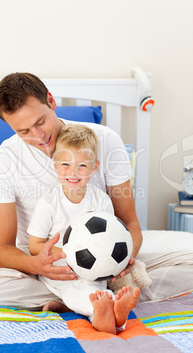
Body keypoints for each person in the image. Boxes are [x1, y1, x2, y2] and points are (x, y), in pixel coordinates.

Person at [0, 72, 193, 309]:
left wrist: (122, 260)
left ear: (51, 101)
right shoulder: (3, 160)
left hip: (106, 256)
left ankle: (88, 296)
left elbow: (129, 222)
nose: (38, 136)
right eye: (23, 131)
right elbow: (2, 250)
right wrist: (36, 265)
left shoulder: (105, 140)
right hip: (47, 268)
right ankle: (88, 298)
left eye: (40, 122)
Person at [28, 123, 140, 333]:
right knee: (77, 290)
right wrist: (68, 255)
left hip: (93, 270)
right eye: (65, 164)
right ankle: (109, 314)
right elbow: (34, 245)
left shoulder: (101, 200)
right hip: (59, 271)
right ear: (54, 165)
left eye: (82, 166)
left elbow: (110, 239)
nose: (73, 172)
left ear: (94, 168)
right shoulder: (49, 202)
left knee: (93, 288)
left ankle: (107, 314)